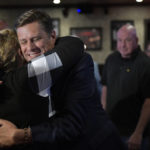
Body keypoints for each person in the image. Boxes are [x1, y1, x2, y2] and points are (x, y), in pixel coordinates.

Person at [0, 9, 126, 150]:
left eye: (36, 39)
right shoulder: (26, 72)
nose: (29, 48)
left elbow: (73, 125)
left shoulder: (79, 62)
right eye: (23, 41)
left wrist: (21, 135)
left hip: (96, 143)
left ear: (52, 35)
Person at [101, 24, 150, 150]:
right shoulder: (111, 59)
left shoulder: (145, 64)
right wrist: (102, 119)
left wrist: (138, 133)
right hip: (111, 130)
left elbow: (148, 101)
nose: (123, 45)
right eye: (120, 40)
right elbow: (105, 89)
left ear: (136, 40)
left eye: (128, 40)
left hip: (135, 135)